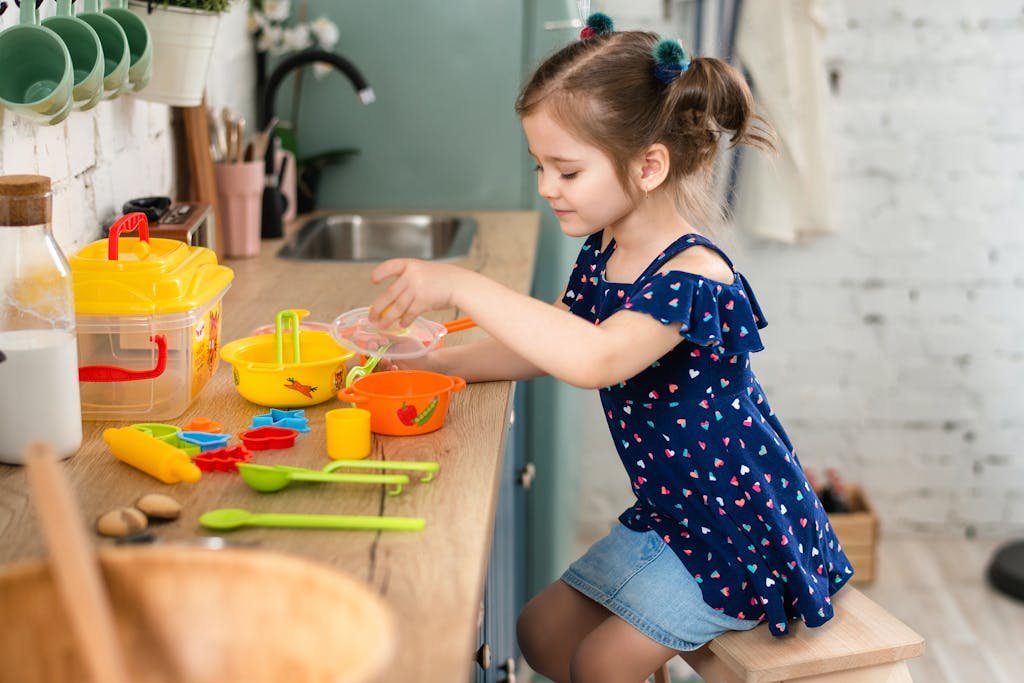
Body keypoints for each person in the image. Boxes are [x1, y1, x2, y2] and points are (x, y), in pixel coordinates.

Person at [368, 12, 853, 683]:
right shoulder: (607, 250)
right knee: (539, 632)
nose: (546, 188)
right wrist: (432, 365)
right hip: (672, 514)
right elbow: (548, 342)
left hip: (733, 530)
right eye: (539, 166)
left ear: (649, 165)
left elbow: (592, 357)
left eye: (566, 170)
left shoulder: (692, 276)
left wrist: (458, 284)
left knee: (601, 663)